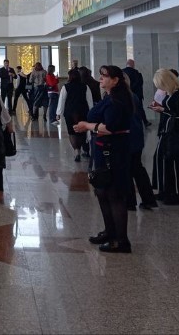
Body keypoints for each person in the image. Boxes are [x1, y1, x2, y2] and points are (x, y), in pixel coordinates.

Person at [73, 65, 134, 253]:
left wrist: (87, 125)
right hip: (102, 149)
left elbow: (110, 127)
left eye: (105, 76)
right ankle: (110, 231)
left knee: (114, 194)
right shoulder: (109, 97)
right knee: (102, 191)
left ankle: (121, 240)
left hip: (113, 152)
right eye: (100, 75)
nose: (101, 78)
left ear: (115, 80)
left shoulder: (117, 101)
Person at [149, 69, 179, 205]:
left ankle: (175, 194)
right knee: (160, 159)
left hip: (174, 132)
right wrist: (160, 107)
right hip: (165, 130)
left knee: (172, 162)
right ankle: (163, 189)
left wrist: (163, 109)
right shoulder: (169, 93)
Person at [56, 68, 93, 161]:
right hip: (83, 111)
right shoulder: (85, 87)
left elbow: (62, 100)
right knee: (81, 132)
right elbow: (89, 100)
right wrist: (92, 112)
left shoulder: (66, 87)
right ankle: (80, 148)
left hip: (70, 112)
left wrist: (58, 113)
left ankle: (76, 151)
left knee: (72, 132)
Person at [123, 60, 151, 128]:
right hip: (137, 95)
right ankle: (145, 122)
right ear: (133, 65)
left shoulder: (122, 72)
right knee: (140, 108)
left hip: (125, 94)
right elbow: (140, 84)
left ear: (127, 64)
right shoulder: (137, 73)